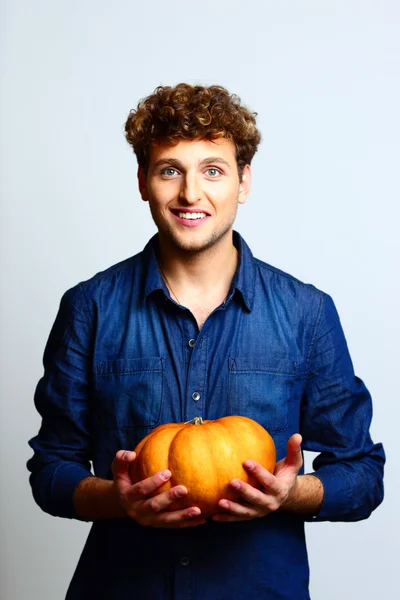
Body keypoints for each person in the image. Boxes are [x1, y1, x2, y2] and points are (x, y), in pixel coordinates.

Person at [27, 83, 385, 600]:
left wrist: (290, 494)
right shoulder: (90, 307)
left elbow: (363, 475)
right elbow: (51, 469)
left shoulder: (307, 312)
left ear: (243, 182)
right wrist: (118, 499)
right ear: (144, 183)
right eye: (170, 169)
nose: (191, 193)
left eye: (212, 170)